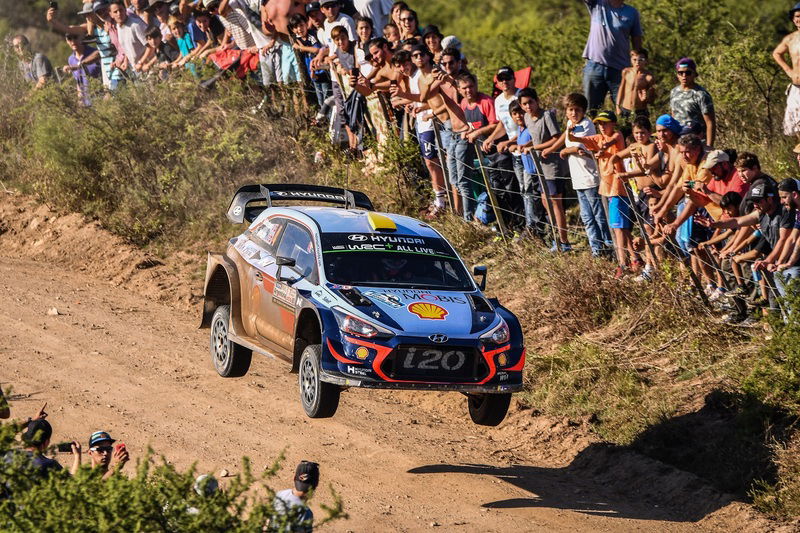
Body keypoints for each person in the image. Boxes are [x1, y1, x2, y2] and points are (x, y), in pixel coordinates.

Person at [543, 92, 612, 256]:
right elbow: (565, 136)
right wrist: (552, 148)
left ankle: (608, 245)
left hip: (590, 177)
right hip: (578, 178)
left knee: (598, 215)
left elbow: (581, 147)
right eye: (571, 110)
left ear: (584, 111)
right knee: (587, 217)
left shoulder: (586, 125)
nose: (574, 113)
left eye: (577, 110)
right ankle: (596, 249)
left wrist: (567, 150)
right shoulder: (570, 124)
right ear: (566, 111)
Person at [571, 110, 635, 276]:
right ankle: (635, 259)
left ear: (613, 123)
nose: (602, 126)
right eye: (599, 123)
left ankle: (623, 263)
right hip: (608, 188)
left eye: (605, 123)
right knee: (621, 226)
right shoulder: (598, 138)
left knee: (617, 228)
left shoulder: (617, 135)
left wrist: (602, 149)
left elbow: (612, 141)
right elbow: (575, 139)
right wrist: (571, 130)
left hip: (617, 187)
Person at [515, 88, 569, 246]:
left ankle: (564, 241)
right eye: (524, 104)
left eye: (530, 102)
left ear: (536, 100)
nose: (528, 106)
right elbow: (536, 139)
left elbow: (557, 138)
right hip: (539, 167)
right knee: (546, 203)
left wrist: (535, 148)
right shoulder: (526, 117)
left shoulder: (547, 116)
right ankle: (555, 238)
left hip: (552, 166)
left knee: (556, 203)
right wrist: (526, 144)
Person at [581, 0, 643, 115]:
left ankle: (623, 132)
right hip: (595, 66)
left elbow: (636, 40)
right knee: (591, 111)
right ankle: (593, 132)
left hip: (621, 69)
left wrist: (637, 68)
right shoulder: (597, 5)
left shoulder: (631, 12)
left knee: (625, 111)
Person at [3, 419, 80, 479]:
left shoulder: (8, 455)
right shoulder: (49, 465)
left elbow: (3, 435)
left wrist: (29, 421)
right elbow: (74, 482)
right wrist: (77, 456)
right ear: (46, 442)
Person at [669, 58, 716, 147]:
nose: (684, 76)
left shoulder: (701, 94)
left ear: (694, 74)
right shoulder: (673, 92)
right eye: (680, 73)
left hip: (697, 143)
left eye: (688, 73)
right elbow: (673, 116)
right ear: (677, 75)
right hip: (679, 142)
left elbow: (710, 123)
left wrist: (709, 147)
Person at [773, 2, 800, 137]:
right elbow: (777, 53)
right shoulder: (791, 38)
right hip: (796, 87)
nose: (798, 19)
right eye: (796, 16)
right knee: (796, 126)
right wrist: (788, 70)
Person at [271, 460, 319, 532]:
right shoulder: (306, 513)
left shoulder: (280, 495)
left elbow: (267, 522)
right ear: (315, 485)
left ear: (294, 478)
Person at [109, 0, 148, 77]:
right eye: (115, 12)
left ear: (125, 10)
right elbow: (127, 46)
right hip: (137, 70)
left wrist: (141, 62)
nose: (119, 13)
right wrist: (126, 61)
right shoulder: (118, 26)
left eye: (121, 10)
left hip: (148, 66)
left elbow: (151, 46)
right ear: (111, 15)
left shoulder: (136, 25)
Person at [615, 48, 655, 119]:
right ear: (631, 60)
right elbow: (621, 89)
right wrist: (617, 106)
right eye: (635, 59)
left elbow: (652, 99)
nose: (637, 62)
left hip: (640, 111)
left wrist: (646, 98)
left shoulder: (649, 77)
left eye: (641, 60)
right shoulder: (626, 72)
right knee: (625, 129)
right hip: (625, 109)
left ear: (646, 61)